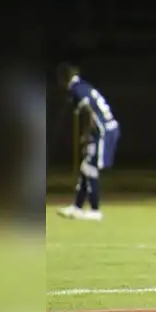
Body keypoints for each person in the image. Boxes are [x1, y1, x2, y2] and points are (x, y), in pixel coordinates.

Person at [55, 63, 121, 221]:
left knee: (90, 168)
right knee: (86, 166)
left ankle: (95, 209)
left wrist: (87, 134)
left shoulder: (76, 90)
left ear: (64, 79)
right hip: (105, 129)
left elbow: (89, 113)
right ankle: (77, 207)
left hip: (103, 131)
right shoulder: (83, 86)